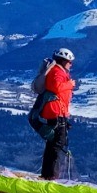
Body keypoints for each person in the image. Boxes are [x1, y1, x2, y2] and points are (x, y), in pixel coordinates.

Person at [29, 47, 75, 179]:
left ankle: (47, 175)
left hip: (56, 112)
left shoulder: (57, 71)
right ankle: (50, 177)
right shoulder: (57, 71)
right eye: (69, 62)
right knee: (57, 145)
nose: (71, 64)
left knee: (53, 144)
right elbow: (56, 87)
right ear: (63, 61)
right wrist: (70, 84)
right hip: (56, 113)